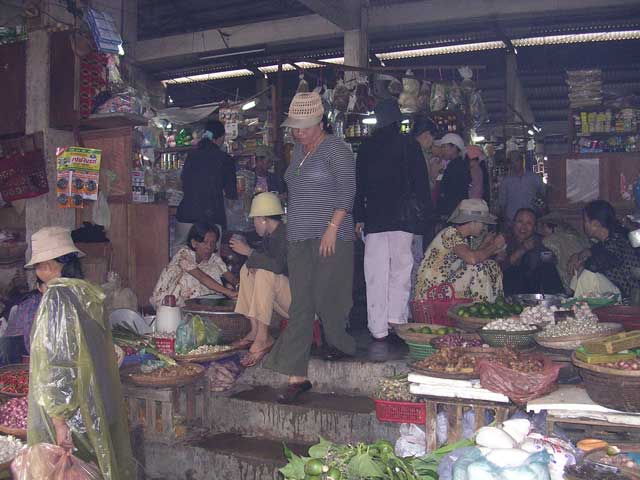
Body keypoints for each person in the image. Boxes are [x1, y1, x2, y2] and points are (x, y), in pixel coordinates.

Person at [263, 91, 356, 404]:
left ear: (319, 121)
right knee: (302, 303)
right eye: (294, 125)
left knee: (328, 301)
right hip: (299, 238)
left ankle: (342, 343)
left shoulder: (336, 150)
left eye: (302, 125)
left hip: (330, 236)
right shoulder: (297, 152)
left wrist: (332, 229)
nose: (296, 130)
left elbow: (347, 192)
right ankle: (296, 377)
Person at [24, 227, 135, 479]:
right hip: (97, 402)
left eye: (40, 266)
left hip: (74, 410)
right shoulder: (86, 292)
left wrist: (59, 420)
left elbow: (57, 362)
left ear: (52, 265)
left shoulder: (56, 298)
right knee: (94, 468)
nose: (39, 273)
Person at [355, 99, 431, 341]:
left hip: (375, 218)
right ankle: (396, 319)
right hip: (403, 219)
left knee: (375, 272)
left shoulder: (366, 147)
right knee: (401, 269)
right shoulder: (410, 145)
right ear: (398, 120)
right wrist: (425, 218)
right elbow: (421, 186)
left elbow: (359, 186)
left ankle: (377, 328)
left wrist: (359, 217)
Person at [230, 193, 290, 367]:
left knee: (264, 272)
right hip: (284, 299)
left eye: (255, 220)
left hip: (302, 304)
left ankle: (263, 338)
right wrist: (252, 258)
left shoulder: (285, 234)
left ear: (263, 219)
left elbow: (278, 266)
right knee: (248, 269)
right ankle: (255, 330)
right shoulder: (270, 236)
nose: (253, 224)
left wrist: (249, 252)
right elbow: (262, 259)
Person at [415, 199, 505, 302]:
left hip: (444, 288)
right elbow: (472, 260)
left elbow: (468, 261)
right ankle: (482, 312)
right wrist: (494, 245)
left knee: (491, 265)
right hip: (432, 292)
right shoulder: (450, 233)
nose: (484, 227)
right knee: (480, 267)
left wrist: (486, 244)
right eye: (483, 223)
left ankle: (495, 307)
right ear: (473, 222)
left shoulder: (459, 238)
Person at [175, 119, 237, 255]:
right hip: (211, 219)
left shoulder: (191, 156)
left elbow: (183, 183)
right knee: (210, 261)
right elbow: (231, 194)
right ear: (220, 138)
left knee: (181, 258)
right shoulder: (225, 159)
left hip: (187, 215)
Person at [151, 224, 237, 308]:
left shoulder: (214, 258)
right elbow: (202, 277)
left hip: (197, 303)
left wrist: (239, 287)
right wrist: (228, 292)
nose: (209, 247)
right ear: (194, 243)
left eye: (213, 243)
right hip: (169, 304)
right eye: (205, 242)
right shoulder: (183, 254)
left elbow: (231, 278)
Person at [568, 200, 640, 298]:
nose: (583, 224)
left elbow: (599, 261)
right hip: (618, 290)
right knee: (581, 267)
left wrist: (583, 264)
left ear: (595, 224)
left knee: (588, 275)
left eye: (585, 221)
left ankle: (578, 308)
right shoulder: (611, 237)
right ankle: (573, 298)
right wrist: (578, 256)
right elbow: (597, 250)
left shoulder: (618, 240)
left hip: (629, 294)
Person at [500, 208, 564, 296]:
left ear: (534, 227)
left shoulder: (537, 240)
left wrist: (543, 251)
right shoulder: (504, 240)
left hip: (533, 290)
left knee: (546, 267)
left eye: (529, 223)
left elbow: (551, 260)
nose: (523, 227)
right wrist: (523, 249)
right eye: (520, 221)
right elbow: (499, 268)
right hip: (509, 289)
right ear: (513, 223)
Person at [539, 212, 590, 293]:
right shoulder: (579, 238)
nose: (542, 231)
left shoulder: (549, 241)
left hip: (567, 288)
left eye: (543, 227)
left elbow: (544, 260)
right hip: (585, 286)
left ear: (548, 227)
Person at [498, 150, 545, 222]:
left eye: (517, 160)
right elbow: (502, 203)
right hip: (512, 219)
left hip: (531, 219)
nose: (514, 164)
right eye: (512, 162)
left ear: (522, 160)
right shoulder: (506, 182)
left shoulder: (534, 178)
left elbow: (543, 194)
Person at [434, 133, 471, 221]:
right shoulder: (458, 164)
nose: (442, 150)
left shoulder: (456, 166)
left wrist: (444, 213)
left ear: (454, 148)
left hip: (452, 213)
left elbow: (452, 194)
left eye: (444, 147)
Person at [3, 278, 45, 353]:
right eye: (49, 287)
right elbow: (29, 335)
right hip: (19, 344)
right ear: (39, 287)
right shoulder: (33, 304)